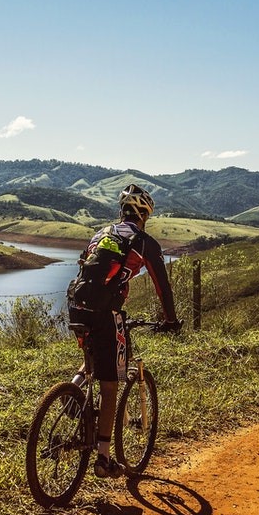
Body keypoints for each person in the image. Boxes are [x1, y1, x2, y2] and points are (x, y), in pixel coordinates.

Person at [66, 183, 181, 478]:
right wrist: (170, 319)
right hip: (106, 313)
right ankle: (104, 459)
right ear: (144, 215)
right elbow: (162, 287)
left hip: (76, 305)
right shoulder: (143, 242)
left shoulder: (100, 234)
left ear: (122, 212)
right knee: (110, 385)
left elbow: (83, 267)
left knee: (94, 357)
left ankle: (71, 389)